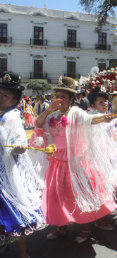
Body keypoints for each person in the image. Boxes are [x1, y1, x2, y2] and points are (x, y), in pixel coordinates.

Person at [32, 76, 117, 244]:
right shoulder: (52, 115)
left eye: (63, 97)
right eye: (57, 96)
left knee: (79, 195)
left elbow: (90, 120)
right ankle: (61, 226)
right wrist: (48, 110)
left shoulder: (76, 113)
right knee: (58, 195)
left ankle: (85, 228)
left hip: (75, 163)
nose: (59, 100)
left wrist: (103, 118)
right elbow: (38, 123)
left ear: (72, 99)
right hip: (57, 161)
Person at [0, 72, 44, 258]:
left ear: (14, 100)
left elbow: (20, 144)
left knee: (15, 215)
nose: (0, 98)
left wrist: (18, 148)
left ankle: (23, 255)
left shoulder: (12, 118)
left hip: (7, 174)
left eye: (5, 96)